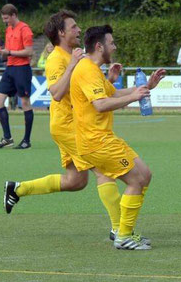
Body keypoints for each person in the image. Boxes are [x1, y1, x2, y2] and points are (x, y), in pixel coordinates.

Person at [4, 10, 129, 240]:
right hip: (68, 125)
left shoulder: (74, 55)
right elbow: (57, 94)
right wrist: (72, 65)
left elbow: (84, 89)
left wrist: (108, 80)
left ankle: (17, 188)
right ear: (61, 32)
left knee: (76, 181)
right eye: (73, 27)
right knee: (103, 169)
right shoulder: (56, 59)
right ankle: (119, 229)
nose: (79, 30)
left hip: (74, 124)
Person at [70, 25, 165, 250]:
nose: (115, 47)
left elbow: (112, 94)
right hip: (96, 142)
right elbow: (101, 105)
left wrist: (145, 87)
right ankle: (123, 236)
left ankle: (126, 231)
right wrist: (134, 97)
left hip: (104, 139)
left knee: (145, 174)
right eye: (112, 43)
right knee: (136, 180)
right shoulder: (87, 70)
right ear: (99, 46)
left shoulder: (93, 69)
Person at [0, 4, 34, 149]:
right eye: (3, 18)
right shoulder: (8, 29)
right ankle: (7, 137)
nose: (5, 21)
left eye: (6, 18)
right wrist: (0, 51)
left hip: (22, 69)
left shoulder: (25, 29)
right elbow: (8, 52)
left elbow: (29, 52)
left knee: (25, 103)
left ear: (14, 15)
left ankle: (26, 141)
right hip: (9, 68)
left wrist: (8, 52)